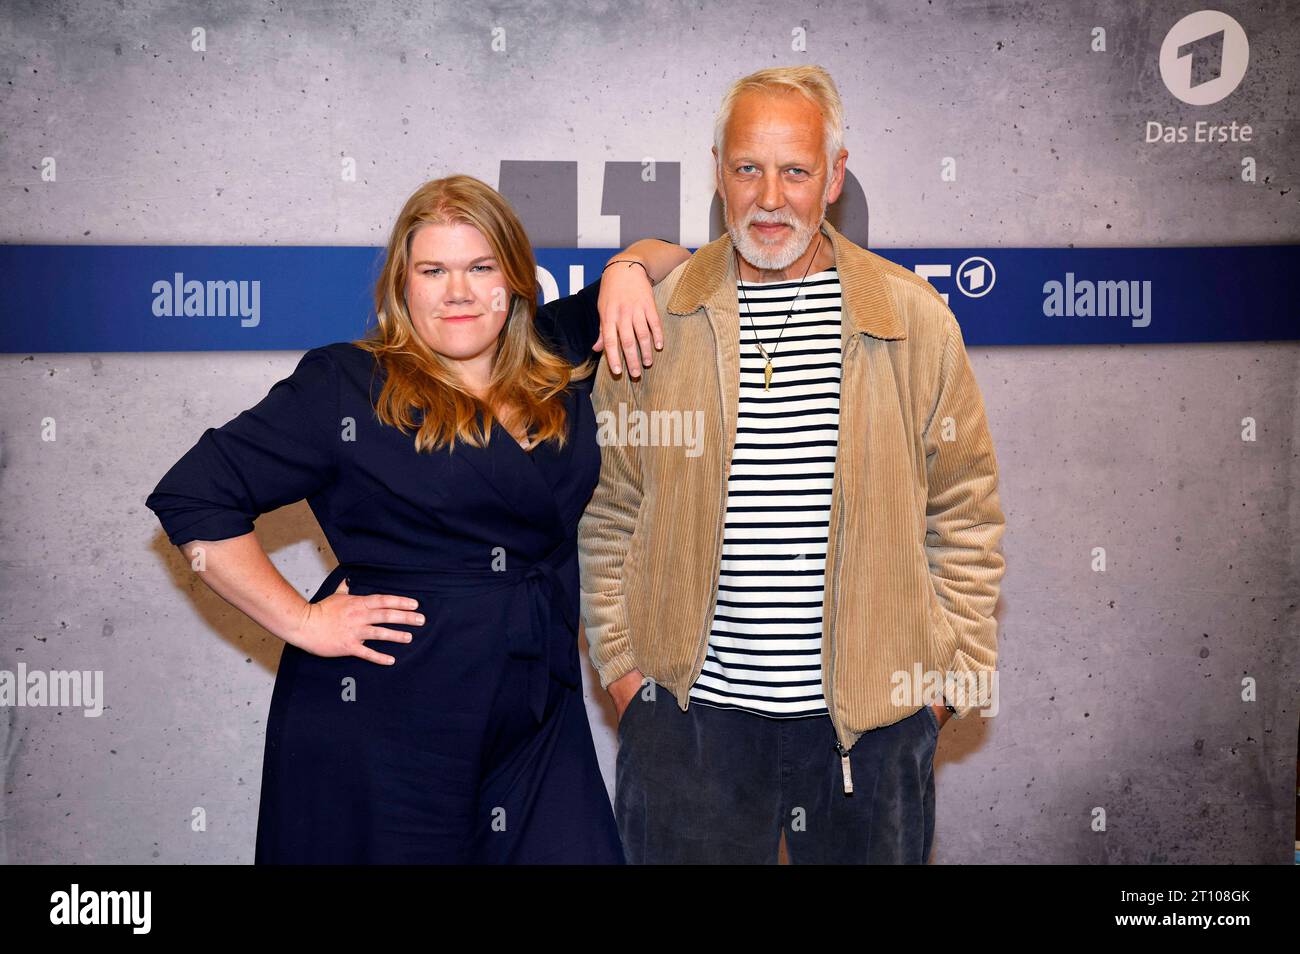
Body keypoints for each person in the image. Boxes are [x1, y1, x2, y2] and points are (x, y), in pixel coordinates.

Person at [145, 174, 689, 863]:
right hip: (389, 721)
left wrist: (626, 270)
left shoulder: (553, 350)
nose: (458, 292)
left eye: (479, 267)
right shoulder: (346, 384)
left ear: (516, 279)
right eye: (433, 270)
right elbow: (193, 495)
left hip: (536, 714)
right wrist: (302, 621)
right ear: (403, 286)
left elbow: (672, 254)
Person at [579, 66, 1007, 864]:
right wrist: (626, 676)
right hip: (685, 725)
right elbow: (609, 506)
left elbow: (965, 511)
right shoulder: (656, 318)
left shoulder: (913, 320)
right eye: (747, 167)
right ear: (717, 171)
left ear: (835, 176)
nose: (769, 196)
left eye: (795, 170)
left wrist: (945, 692)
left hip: (871, 736)